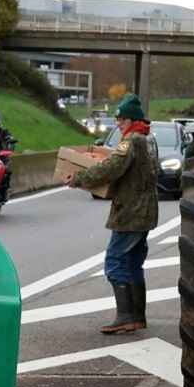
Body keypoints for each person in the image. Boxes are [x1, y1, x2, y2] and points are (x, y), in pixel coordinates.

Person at [66, 94, 159, 334]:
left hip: (131, 211)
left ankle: (126, 316)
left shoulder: (132, 141)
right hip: (144, 211)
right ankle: (137, 316)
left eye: (121, 119)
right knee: (133, 263)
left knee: (115, 262)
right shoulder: (148, 140)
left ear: (132, 120)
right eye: (118, 118)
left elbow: (113, 166)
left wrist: (80, 178)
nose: (118, 123)